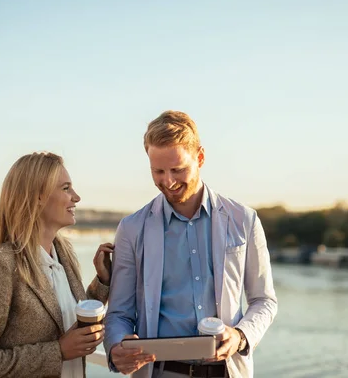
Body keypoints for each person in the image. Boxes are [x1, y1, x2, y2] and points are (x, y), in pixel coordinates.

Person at [104, 111, 278, 378]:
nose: (168, 181)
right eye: (158, 171)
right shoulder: (131, 228)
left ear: (200, 157)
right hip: (160, 373)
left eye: (178, 169)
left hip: (228, 371)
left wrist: (241, 335)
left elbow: (264, 300)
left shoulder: (245, 220)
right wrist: (117, 346)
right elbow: (119, 313)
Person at [0, 152, 114, 378]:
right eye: (66, 188)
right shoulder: (0, 264)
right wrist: (58, 351)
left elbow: (68, 321)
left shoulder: (64, 255)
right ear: (37, 196)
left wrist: (103, 280)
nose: (76, 197)